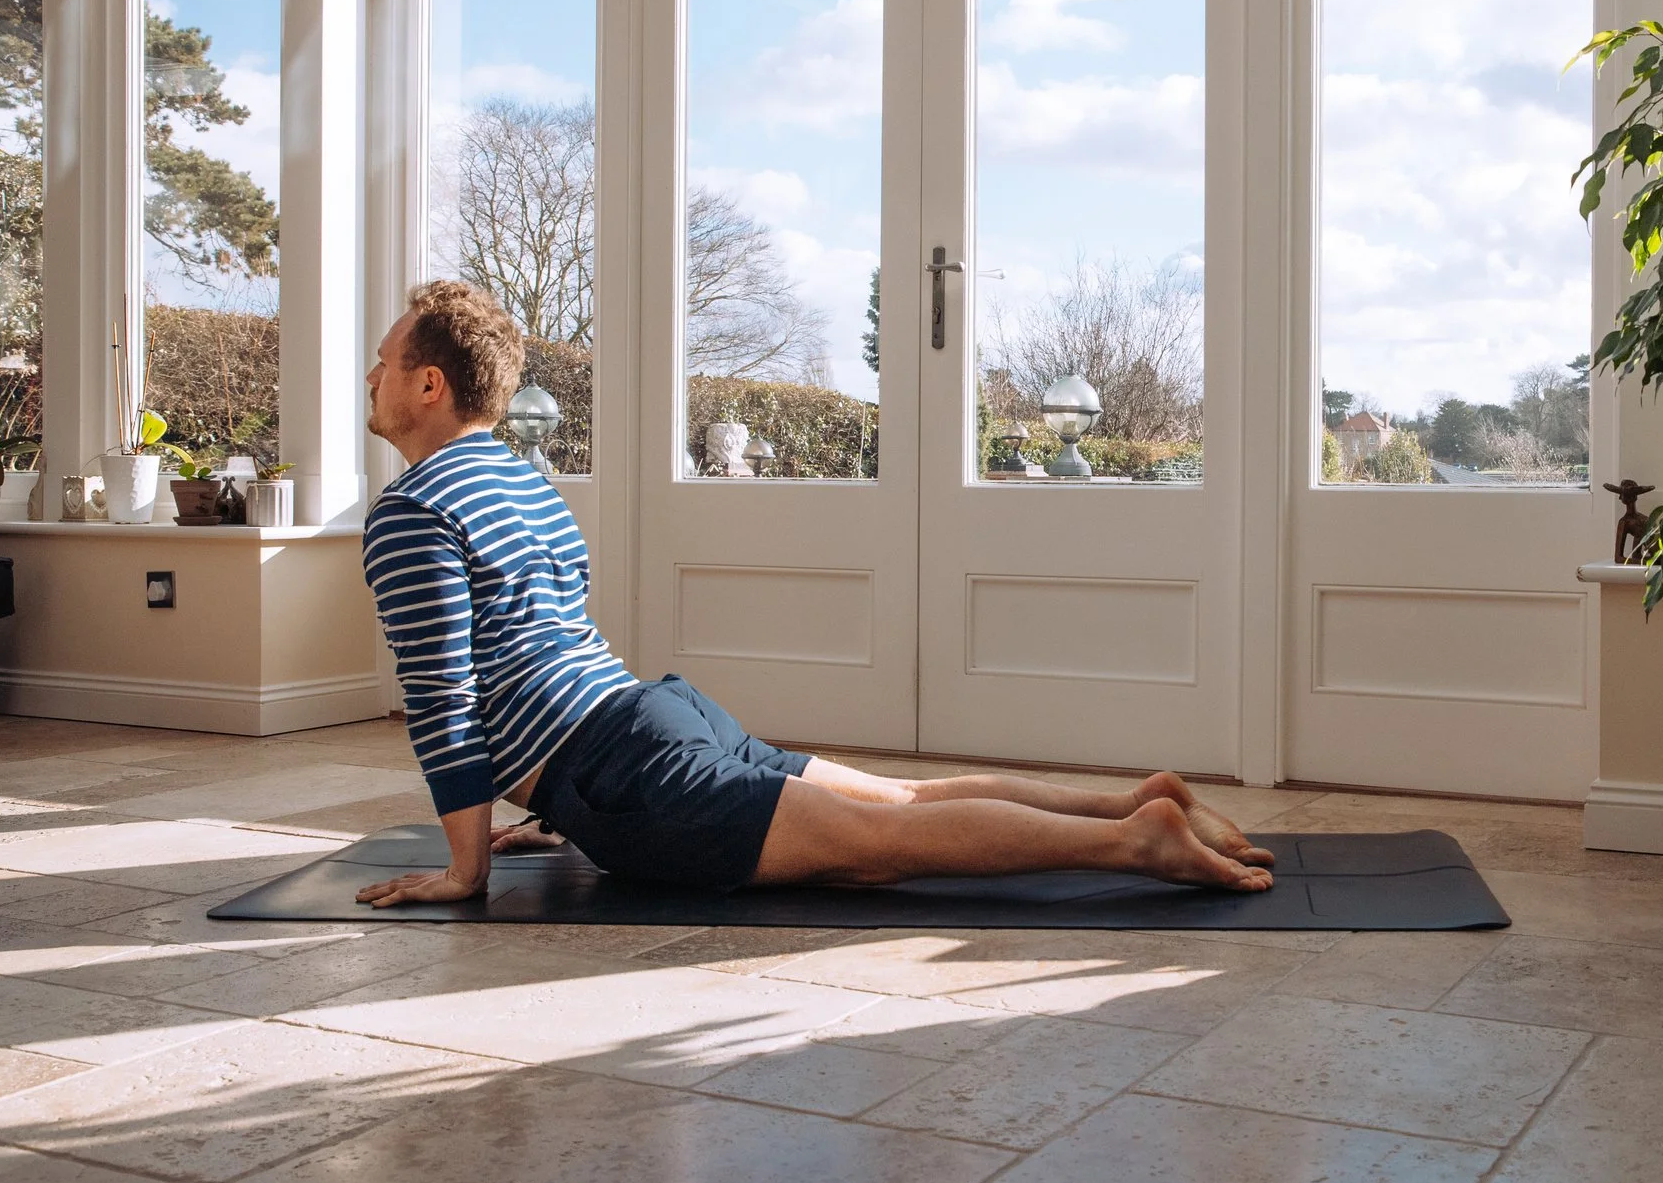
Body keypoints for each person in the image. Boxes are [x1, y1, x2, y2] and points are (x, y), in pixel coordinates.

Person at [353, 281, 1274, 909]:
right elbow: (548, 644)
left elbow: (447, 699)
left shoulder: (411, 510)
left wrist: (464, 869)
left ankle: (1134, 841)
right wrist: (551, 804)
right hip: (656, 714)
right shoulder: (524, 483)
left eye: (384, 361)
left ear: (429, 383)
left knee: (880, 848)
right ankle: (1127, 802)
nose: (371, 375)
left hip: (625, 767)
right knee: (903, 803)